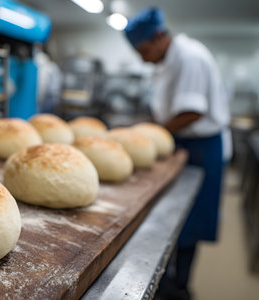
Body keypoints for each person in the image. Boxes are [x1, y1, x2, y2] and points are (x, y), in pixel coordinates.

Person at [124, 7, 231, 300]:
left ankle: (180, 286)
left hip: (202, 147)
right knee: (171, 217)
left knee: (190, 219)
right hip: (181, 142)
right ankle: (168, 278)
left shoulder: (189, 57)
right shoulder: (166, 61)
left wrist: (155, 131)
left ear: (159, 38)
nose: (143, 58)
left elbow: (192, 112)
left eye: (144, 50)